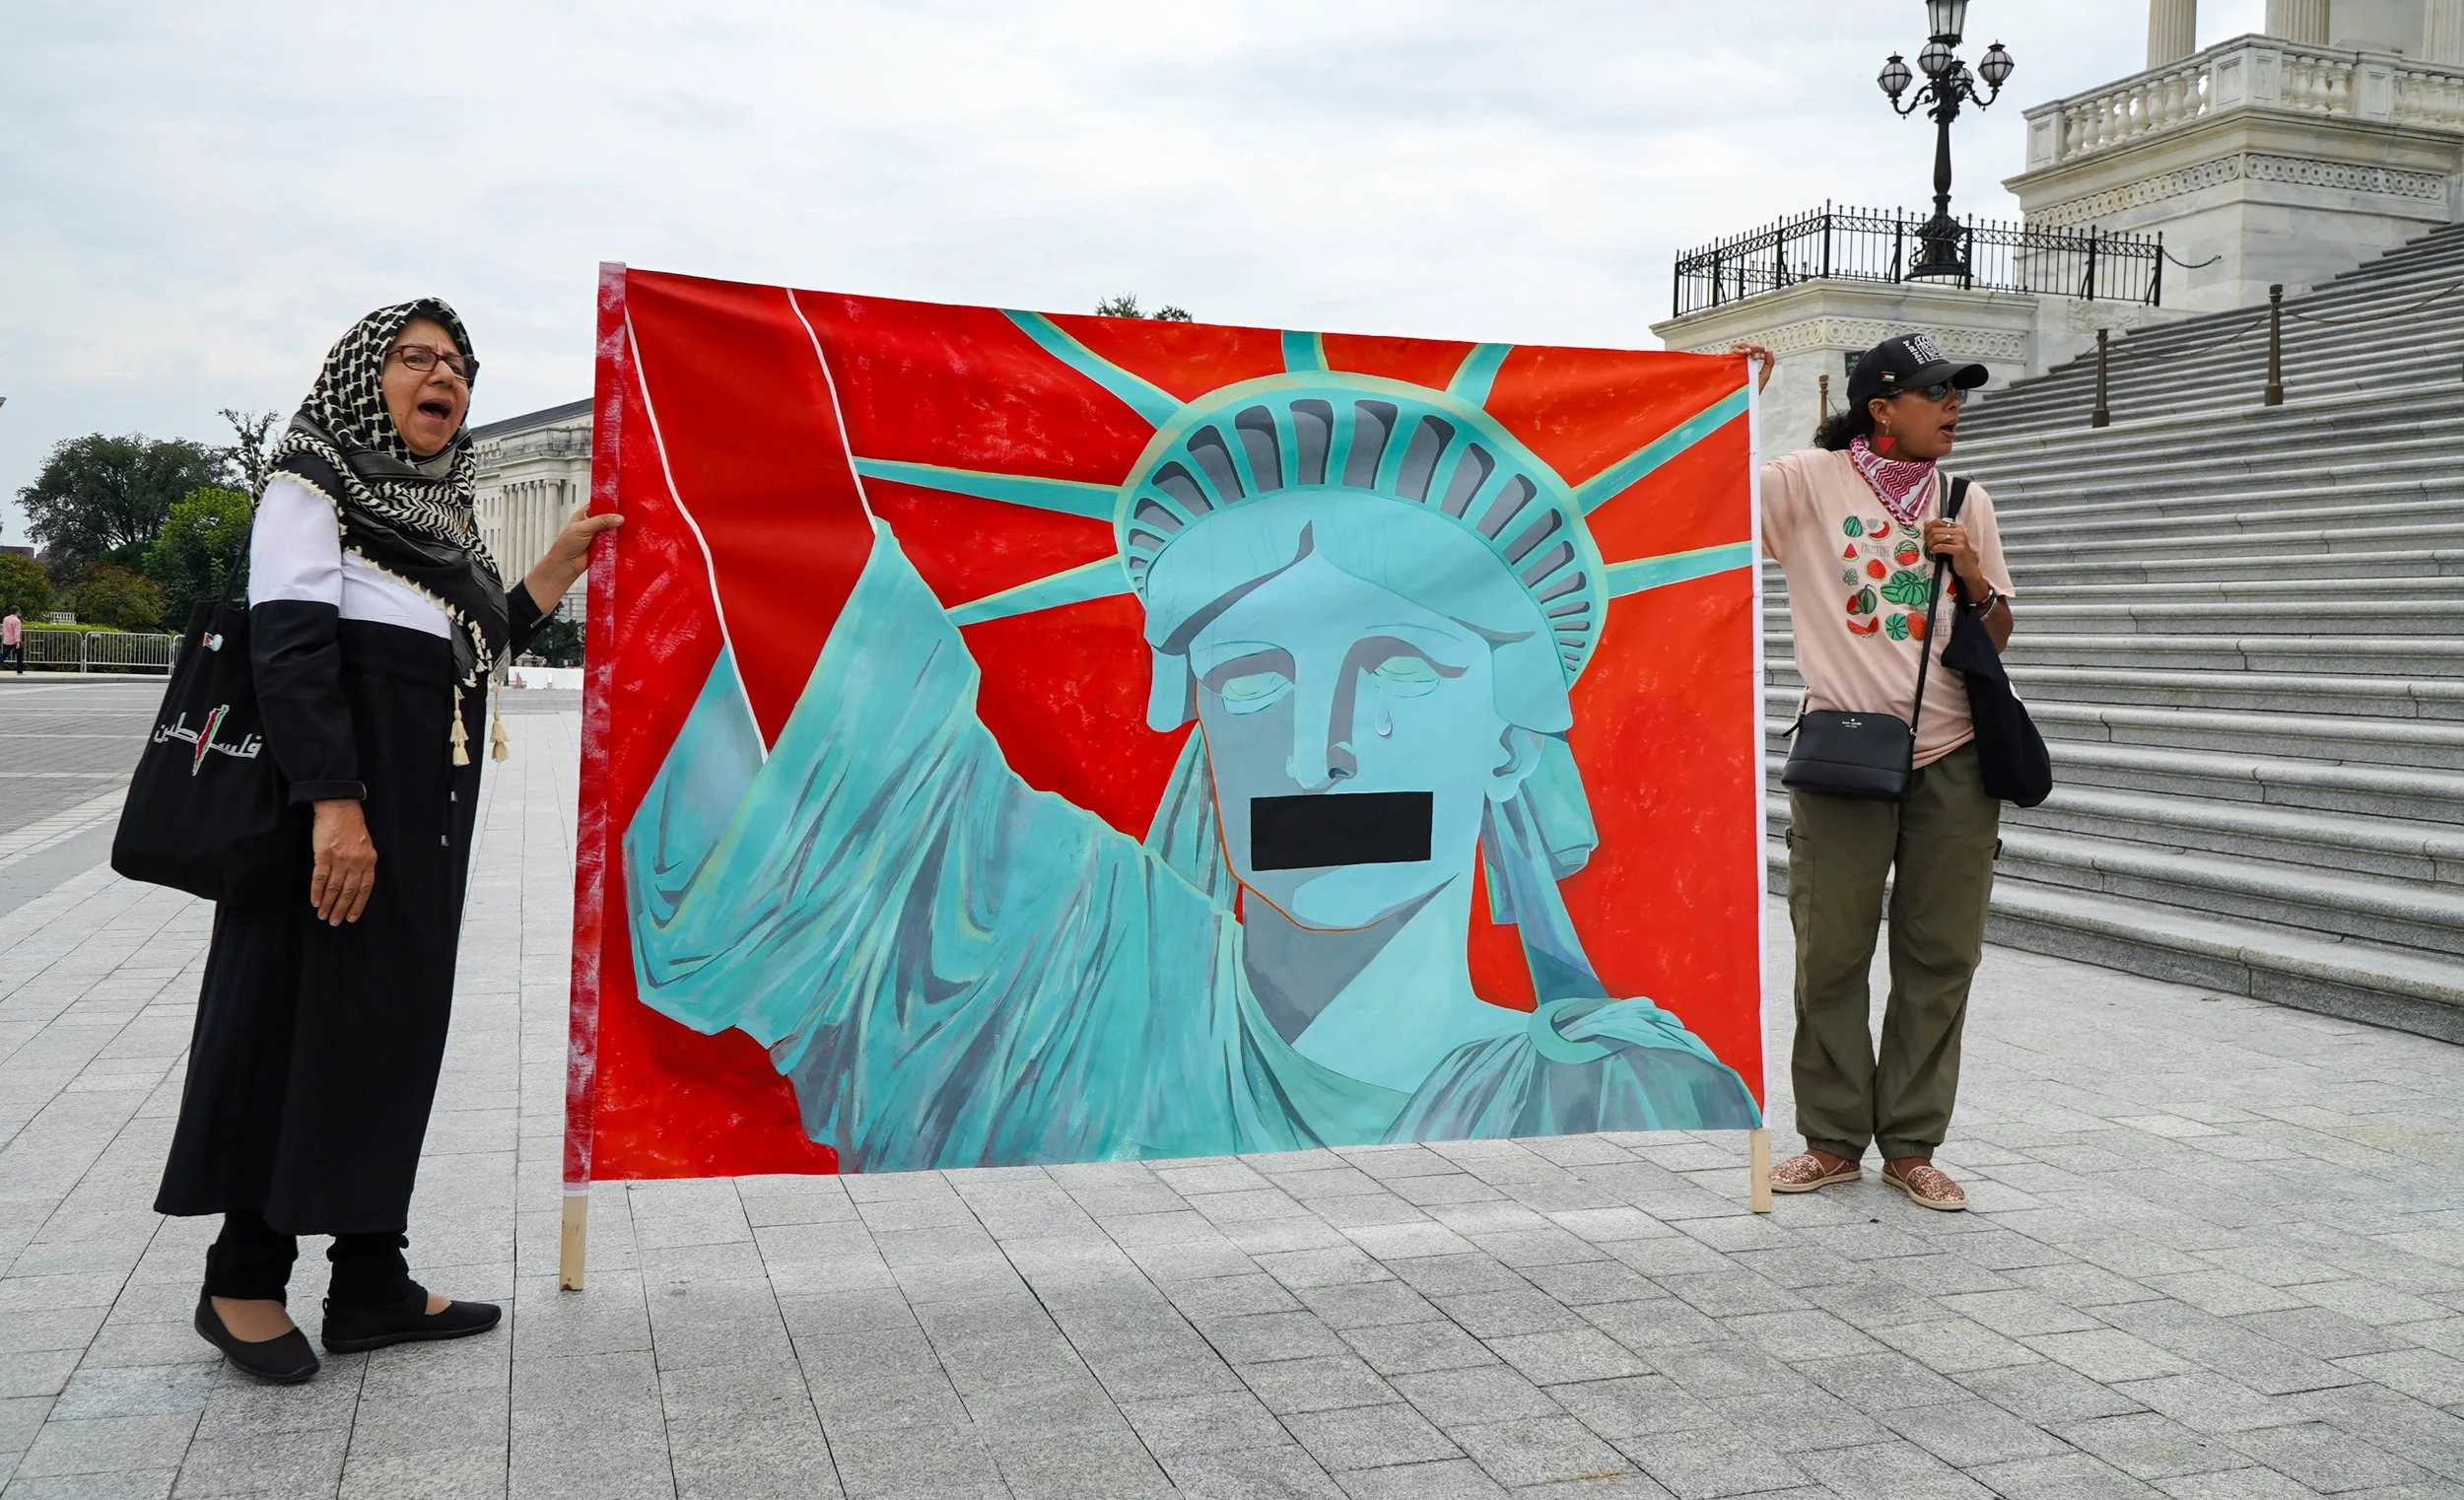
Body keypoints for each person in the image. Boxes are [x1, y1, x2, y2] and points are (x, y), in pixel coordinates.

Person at [624, 329, 1762, 1169]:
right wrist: (725, 333)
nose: (1321, 754)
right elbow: (812, 644)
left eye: (1403, 669)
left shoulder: (1619, 1090)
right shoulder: (1054, 969)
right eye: (1254, 676)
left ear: (1509, 746)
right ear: (1197, 714)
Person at [156, 300, 620, 1383]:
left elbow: (469, 639)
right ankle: (242, 1276)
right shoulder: (309, 486)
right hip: (332, 820)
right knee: (292, 1028)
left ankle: (370, 1277)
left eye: (457, 362)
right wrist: (335, 804)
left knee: (385, 1039)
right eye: (416, 357)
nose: (442, 375)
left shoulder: (440, 514)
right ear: (369, 376)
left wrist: (556, 565)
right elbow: (291, 646)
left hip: (420, 821)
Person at [1758, 332, 2015, 1212]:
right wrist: (1735, 399)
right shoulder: (1804, 482)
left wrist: (1972, 571)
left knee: (1941, 955)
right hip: (1843, 752)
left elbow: (1998, 632)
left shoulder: (1966, 495)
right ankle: (1830, 1139)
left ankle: (1911, 1144)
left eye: (1958, 392)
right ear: (1881, 408)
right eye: (1937, 392)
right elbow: (1707, 500)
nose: (1954, 406)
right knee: (1830, 952)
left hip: (1955, 757)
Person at [1, 607, 21, 675]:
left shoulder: (5, 618)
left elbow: (4, 629)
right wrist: (17, 642)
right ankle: (19, 671)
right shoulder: (17, 621)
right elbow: (17, 632)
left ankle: (20, 671)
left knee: (3, 655)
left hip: (6, 640)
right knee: (19, 655)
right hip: (14, 641)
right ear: (17, 612)